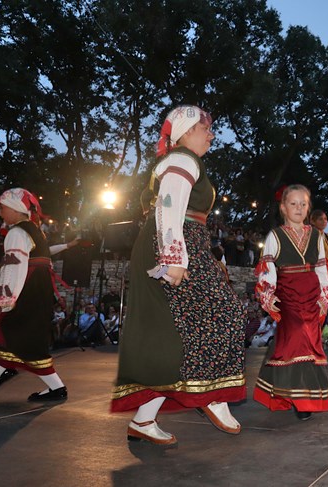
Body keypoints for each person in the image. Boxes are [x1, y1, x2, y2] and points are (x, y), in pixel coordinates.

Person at [111, 105, 246, 445]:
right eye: (206, 129)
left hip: (183, 240)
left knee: (174, 331)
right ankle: (212, 395)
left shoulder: (181, 160)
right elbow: (168, 207)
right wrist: (173, 256)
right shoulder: (182, 160)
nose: (211, 135)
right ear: (186, 132)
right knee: (225, 313)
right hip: (177, 240)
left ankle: (143, 420)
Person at [0, 188, 68, 402]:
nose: (1, 213)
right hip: (37, 290)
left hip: (25, 289)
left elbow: (14, 268)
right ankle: (54, 387)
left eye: (3, 209)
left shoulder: (17, 232)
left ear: (15, 209)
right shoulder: (34, 231)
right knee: (25, 339)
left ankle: (3, 370)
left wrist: (0, 305)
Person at [254, 184, 328, 421]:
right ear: (283, 208)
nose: (298, 208)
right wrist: (268, 295)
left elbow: (321, 268)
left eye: (303, 204)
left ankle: (300, 395)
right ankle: (300, 398)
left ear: (308, 208)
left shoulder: (317, 236)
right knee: (296, 337)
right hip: (287, 294)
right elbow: (267, 267)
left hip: (311, 294)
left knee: (309, 341)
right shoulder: (275, 236)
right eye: (293, 203)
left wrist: (325, 295)